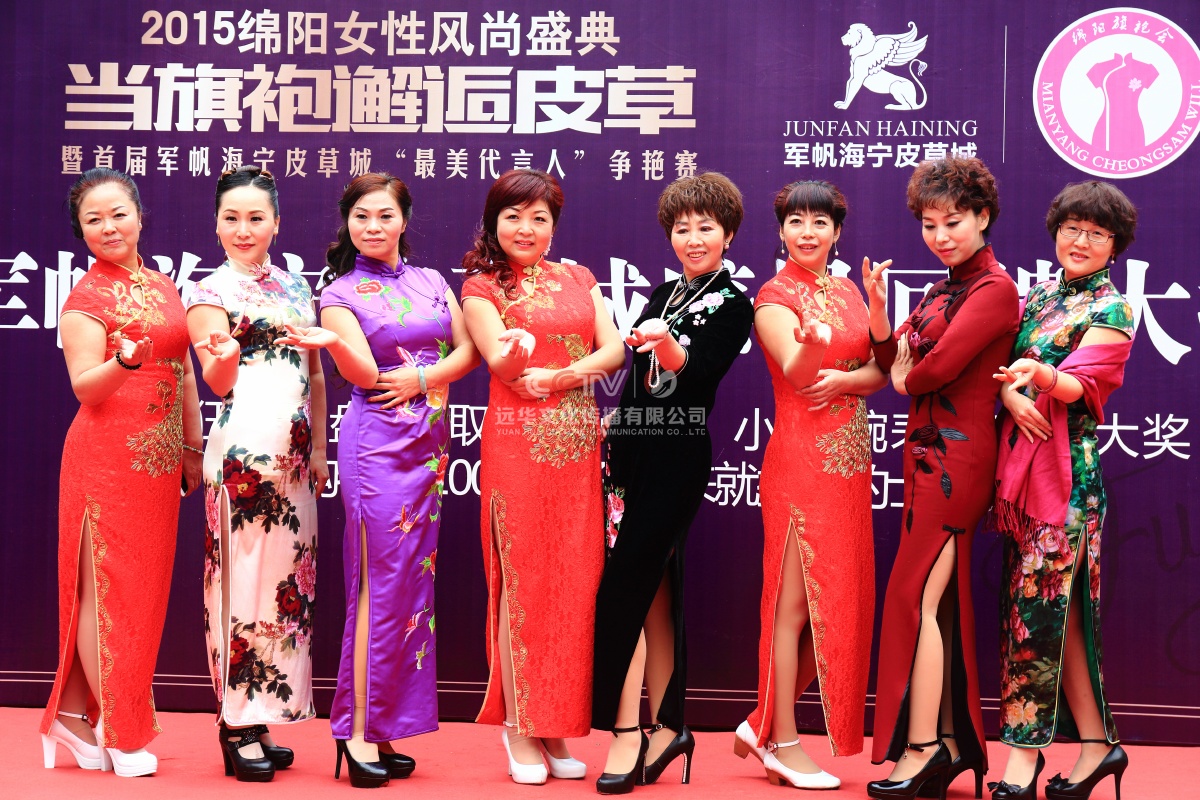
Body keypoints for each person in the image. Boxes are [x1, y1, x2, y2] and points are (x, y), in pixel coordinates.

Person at [277, 173, 479, 788]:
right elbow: (365, 374)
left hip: (428, 449)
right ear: (348, 223)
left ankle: (385, 723)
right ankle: (357, 729)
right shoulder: (339, 293)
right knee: (375, 586)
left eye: (385, 215)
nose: (373, 226)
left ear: (403, 219)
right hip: (378, 448)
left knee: (411, 588)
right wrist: (337, 348)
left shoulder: (433, 281)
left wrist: (424, 379)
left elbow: (469, 350)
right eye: (361, 216)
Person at [591, 172, 754, 795]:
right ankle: (669, 727)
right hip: (632, 451)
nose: (693, 238)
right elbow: (637, 385)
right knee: (656, 588)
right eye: (682, 228)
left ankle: (627, 732)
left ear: (728, 234)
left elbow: (700, 374)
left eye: (706, 227)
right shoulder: (662, 293)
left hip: (678, 455)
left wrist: (667, 348)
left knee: (627, 588)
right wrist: (617, 422)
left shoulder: (735, 304)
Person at [460, 169, 624, 785]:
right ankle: (518, 726)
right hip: (519, 448)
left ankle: (552, 722)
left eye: (539, 218)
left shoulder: (579, 278)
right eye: (513, 217)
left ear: (554, 225)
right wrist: (517, 353)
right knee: (523, 583)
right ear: (494, 223)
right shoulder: (481, 287)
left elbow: (614, 350)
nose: (525, 229)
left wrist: (559, 376)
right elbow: (500, 365)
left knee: (573, 584)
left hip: (579, 447)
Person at [39, 168, 203, 778]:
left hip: (158, 465)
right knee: (104, 591)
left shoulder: (162, 285)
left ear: (138, 215)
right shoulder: (85, 299)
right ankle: (120, 728)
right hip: (104, 461)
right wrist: (124, 363)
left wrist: (191, 446)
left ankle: (73, 713)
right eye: (94, 219)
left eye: (118, 214)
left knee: (142, 598)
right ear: (81, 231)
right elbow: (85, 387)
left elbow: (183, 371)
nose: (109, 227)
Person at [864, 157, 1019, 800]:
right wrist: (879, 312)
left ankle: (925, 748)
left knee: (914, 598)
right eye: (929, 225)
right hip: (924, 459)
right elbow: (888, 359)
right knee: (939, 604)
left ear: (982, 217)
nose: (940, 235)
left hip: (960, 461)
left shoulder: (996, 290)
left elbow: (934, 369)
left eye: (953, 222)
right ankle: (952, 745)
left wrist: (908, 373)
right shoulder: (938, 291)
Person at [734, 180, 887, 790]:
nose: (807, 232)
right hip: (800, 463)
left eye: (819, 222)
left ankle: (760, 724)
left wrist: (850, 376)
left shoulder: (849, 291)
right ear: (780, 232)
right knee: (794, 608)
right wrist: (807, 346)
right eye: (795, 221)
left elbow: (883, 371)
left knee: (840, 605)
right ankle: (781, 741)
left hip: (850, 468)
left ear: (837, 231)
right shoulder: (773, 297)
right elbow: (798, 376)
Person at [989, 182, 1137, 800]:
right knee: (1065, 616)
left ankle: (1022, 758)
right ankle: (1100, 746)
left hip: (1068, 483)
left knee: (1036, 614)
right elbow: (1003, 372)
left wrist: (1044, 376)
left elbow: (1084, 386)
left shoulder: (1113, 308)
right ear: (1056, 231)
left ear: (1114, 246)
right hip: (1024, 472)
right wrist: (1010, 392)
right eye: (1072, 228)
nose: (1081, 241)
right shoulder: (1040, 296)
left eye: (1096, 234)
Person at [187, 165, 328, 782]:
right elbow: (217, 381)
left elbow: (314, 373)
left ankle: (263, 712)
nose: (243, 229)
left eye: (255, 217)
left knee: (284, 588)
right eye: (231, 218)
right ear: (216, 224)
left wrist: (319, 448)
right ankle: (234, 722)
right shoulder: (208, 292)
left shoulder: (297, 286)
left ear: (276, 222)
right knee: (238, 584)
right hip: (242, 459)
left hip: (294, 460)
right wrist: (224, 357)